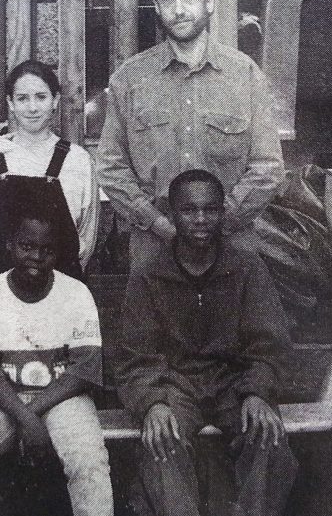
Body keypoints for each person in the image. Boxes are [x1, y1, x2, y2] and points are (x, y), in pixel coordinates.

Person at [116, 169, 297, 516]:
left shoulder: (245, 267)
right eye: (189, 210)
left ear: (222, 212)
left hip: (233, 385)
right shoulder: (148, 273)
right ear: (172, 215)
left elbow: (270, 345)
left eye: (210, 209)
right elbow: (136, 357)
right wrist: (152, 402)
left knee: (267, 436)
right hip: (176, 386)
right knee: (161, 440)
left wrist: (257, 391)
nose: (201, 219)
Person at [97, 0, 284, 269]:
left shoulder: (245, 76)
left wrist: (216, 223)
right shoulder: (129, 80)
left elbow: (268, 166)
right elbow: (111, 168)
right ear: (156, 7)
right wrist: (159, 224)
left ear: (209, 3)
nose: (179, 9)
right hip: (155, 255)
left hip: (231, 253)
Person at [0, 209, 113, 516]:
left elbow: (83, 371)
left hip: (63, 397)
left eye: (47, 250)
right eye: (26, 246)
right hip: (3, 398)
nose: (36, 256)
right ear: (9, 245)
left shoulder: (75, 294)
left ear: (57, 253)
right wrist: (26, 417)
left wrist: (29, 416)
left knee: (89, 461)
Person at [0, 60, 99, 284]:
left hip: (60, 287)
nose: (32, 108)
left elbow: (85, 237)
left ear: (55, 100)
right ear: (10, 102)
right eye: (22, 98)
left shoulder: (77, 161)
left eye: (41, 97)